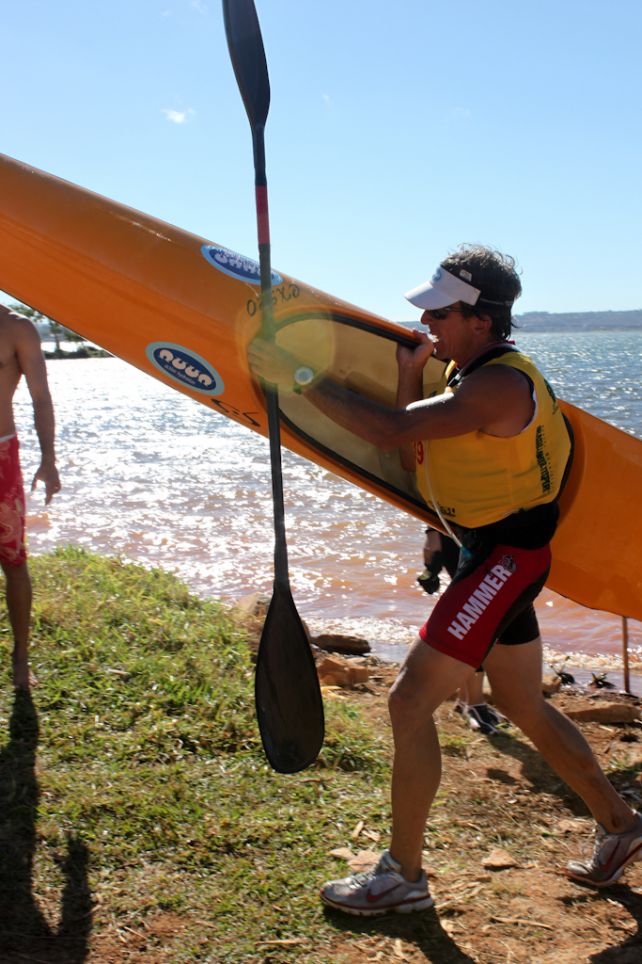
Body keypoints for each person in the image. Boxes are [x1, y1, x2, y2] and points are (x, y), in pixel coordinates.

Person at [248, 245, 642, 912]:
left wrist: (300, 374)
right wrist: (412, 376)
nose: (427, 322)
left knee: (407, 702)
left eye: (439, 312)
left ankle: (403, 875)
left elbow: (385, 428)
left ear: (480, 320)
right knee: (521, 703)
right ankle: (623, 825)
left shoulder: (498, 385)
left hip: (503, 559)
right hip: (491, 554)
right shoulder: (469, 375)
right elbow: (404, 447)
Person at [0, 303, 61, 689]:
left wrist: (49, 458)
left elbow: (41, 397)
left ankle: (21, 657)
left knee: (13, 559)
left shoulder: (16, 328)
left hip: (1, 455)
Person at [418, 526, 506, 735]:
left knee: (478, 614)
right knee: (477, 616)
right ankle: (474, 704)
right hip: (461, 533)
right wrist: (432, 532)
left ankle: (466, 700)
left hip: (481, 531)